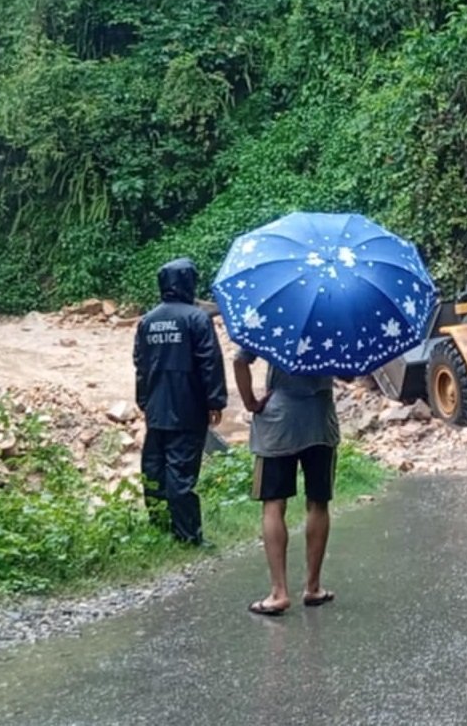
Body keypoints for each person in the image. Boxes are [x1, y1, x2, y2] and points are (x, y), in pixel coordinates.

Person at [232, 347, 338, 616]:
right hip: (320, 422)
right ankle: (313, 587)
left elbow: (239, 361)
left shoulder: (275, 316)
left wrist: (250, 403)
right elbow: (348, 374)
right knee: (318, 503)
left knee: (273, 504)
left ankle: (279, 592)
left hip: (278, 422)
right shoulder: (332, 321)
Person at [132, 259, 227, 545]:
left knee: (154, 467)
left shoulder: (148, 321)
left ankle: (159, 528)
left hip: (156, 408)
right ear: (188, 283)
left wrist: (144, 401)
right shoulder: (197, 319)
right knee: (181, 470)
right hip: (189, 407)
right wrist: (216, 401)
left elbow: (140, 364)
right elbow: (210, 362)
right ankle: (188, 535)